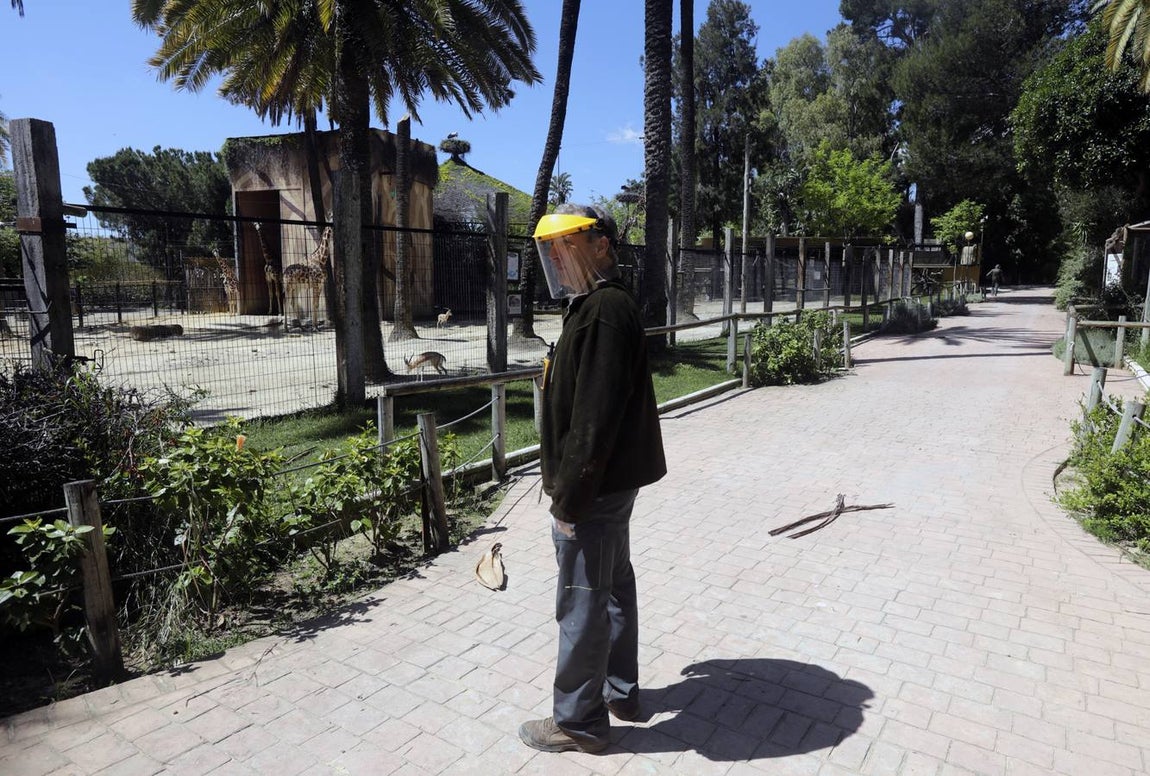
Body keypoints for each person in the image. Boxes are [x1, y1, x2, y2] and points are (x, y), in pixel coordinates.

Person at [518, 204, 667, 755]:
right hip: (609, 484)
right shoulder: (594, 306)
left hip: (594, 489)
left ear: (600, 245)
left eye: (566, 245)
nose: (556, 257)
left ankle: (578, 721)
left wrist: (570, 500)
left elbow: (595, 418)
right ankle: (621, 693)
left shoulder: (603, 310)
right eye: (550, 249)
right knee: (613, 585)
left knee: (582, 597)